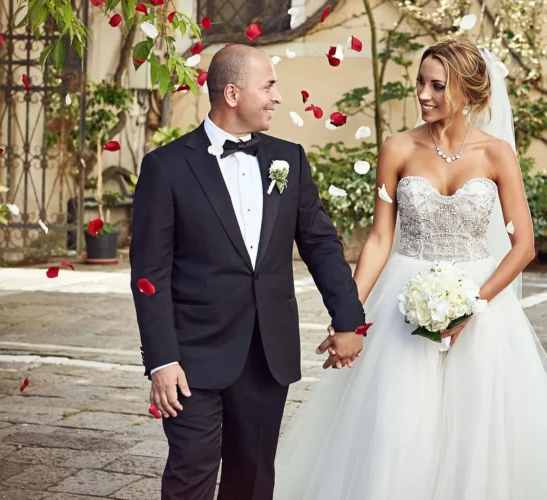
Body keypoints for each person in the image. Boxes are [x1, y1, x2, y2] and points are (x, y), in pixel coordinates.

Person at [274, 36, 547, 499]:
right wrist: (349, 315)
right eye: (420, 82)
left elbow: (523, 246)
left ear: (468, 92)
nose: (424, 95)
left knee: (478, 433)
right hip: (402, 306)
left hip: (482, 308)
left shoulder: (496, 155)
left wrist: (474, 304)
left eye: (437, 85)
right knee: (394, 425)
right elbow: (379, 239)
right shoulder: (398, 149)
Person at [129, 44, 368, 500]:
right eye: (270, 86)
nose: (278, 97)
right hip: (192, 356)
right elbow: (150, 274)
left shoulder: (289, 158)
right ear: (233, 94)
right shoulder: (166, 168)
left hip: (266, 351)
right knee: (190, 471)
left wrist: (349, 320)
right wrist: (162, 360)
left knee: (253, 477)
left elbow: (320, 245)